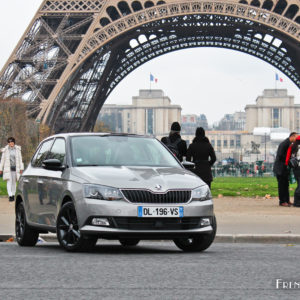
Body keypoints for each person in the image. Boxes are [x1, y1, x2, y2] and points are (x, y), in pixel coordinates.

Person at [273, 132, 297, 207]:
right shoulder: (284, 144)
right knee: (282, 185)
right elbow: (280, 155)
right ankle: (282, 201)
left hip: (284, 167)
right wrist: (289, 161)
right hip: (280, 167)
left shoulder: (289, 144)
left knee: (286, 184)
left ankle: (287, 200)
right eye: (296, 138)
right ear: (292, 136)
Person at [0, 137, 24, 202]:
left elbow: (20, 159)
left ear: (14, 142)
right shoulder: (5, 150)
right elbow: (2, 160)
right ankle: (10, 195)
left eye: (12, 142)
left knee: (14, 182)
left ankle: (13, 195)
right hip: (8, 168)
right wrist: (1, 169)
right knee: (9, 182)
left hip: (16, 168)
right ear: (8, 143)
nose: (11, 143)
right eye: (10, 142)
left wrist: (21, 168)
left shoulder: (18, 150)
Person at [285, 135, 300, 207]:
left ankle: (297, 201)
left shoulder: (293, 146)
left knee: (299, 184)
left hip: (296, 168)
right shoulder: (298, 147)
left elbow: (288, 157)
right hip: (299, 167)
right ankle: (297, 202)